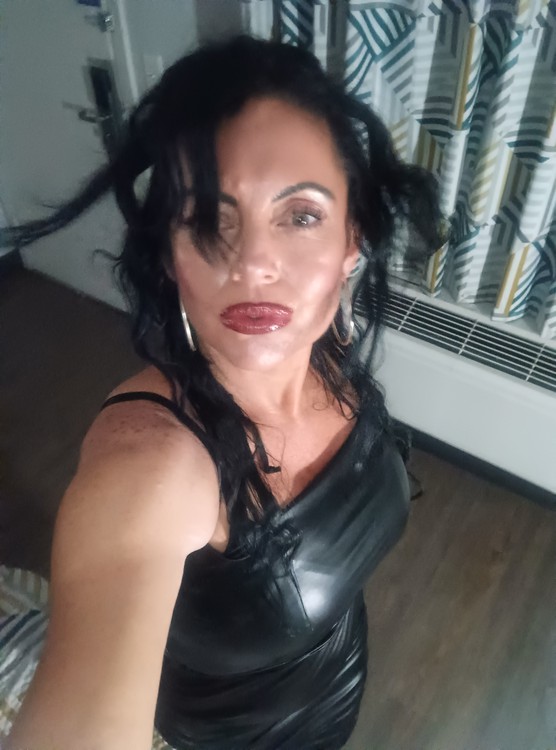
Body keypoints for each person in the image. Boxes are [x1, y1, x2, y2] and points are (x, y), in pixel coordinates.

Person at [3, 34, 443, 750]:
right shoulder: (149, 468)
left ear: (349, 242)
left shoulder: (322, 343)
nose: (254, 264)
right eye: (208, 218)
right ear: (169, 255)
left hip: (333, 695)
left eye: (300, 215)